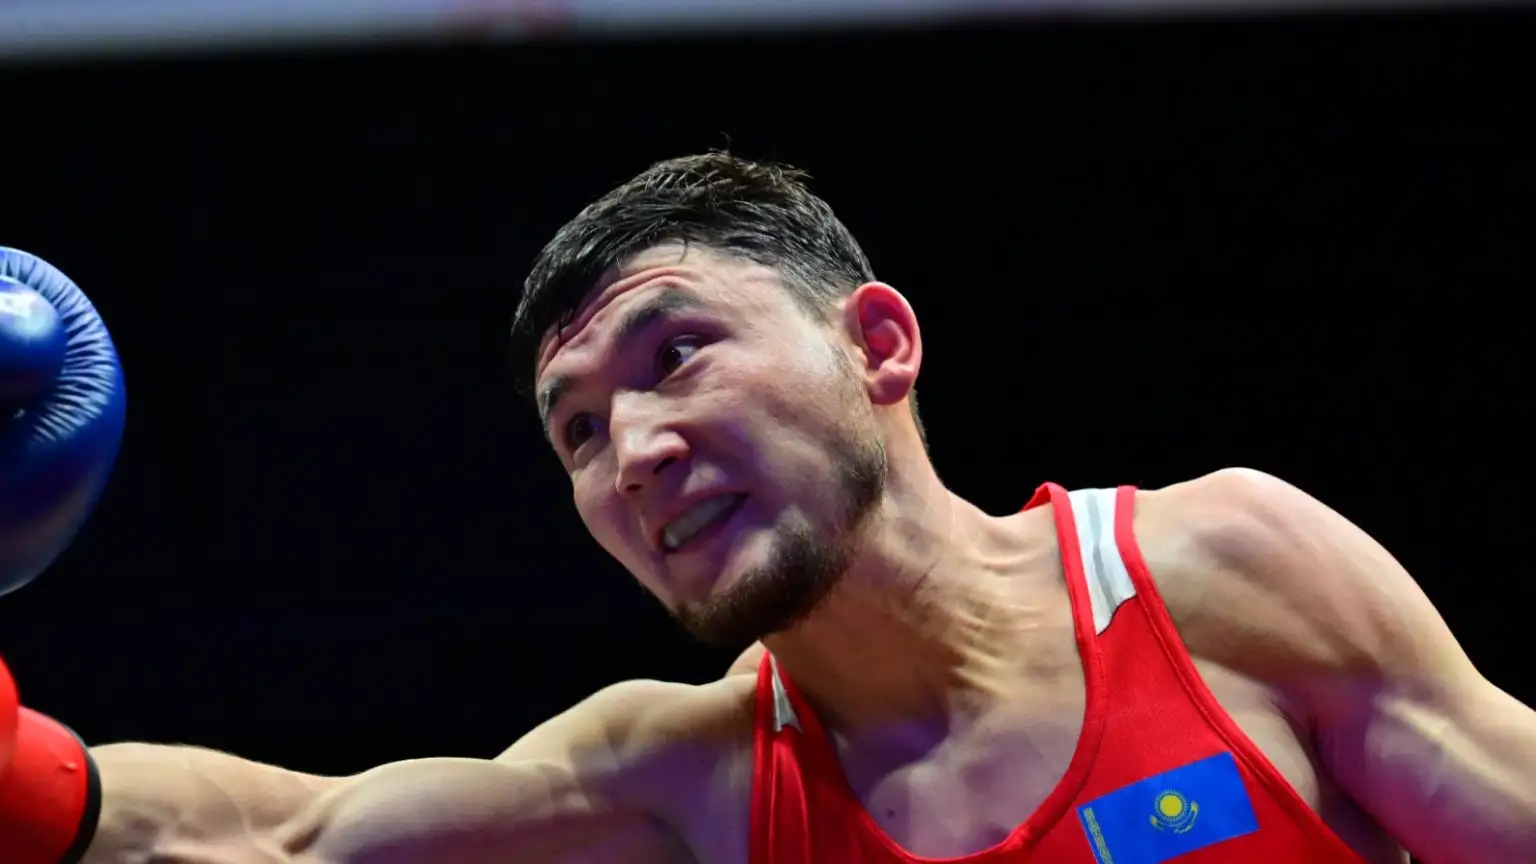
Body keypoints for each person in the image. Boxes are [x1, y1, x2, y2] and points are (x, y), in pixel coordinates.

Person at [5, 154, 1535, 864]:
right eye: (578, 430)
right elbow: (287, 836)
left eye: (676, 355)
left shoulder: (1214, 578)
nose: (632, 450)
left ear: (879, 345)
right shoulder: (685, 778)